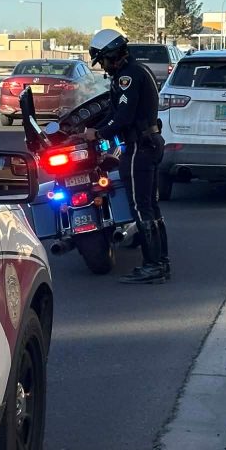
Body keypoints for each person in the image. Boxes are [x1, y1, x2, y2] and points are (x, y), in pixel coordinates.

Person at [83, 30, 169, 284]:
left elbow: (123, 117)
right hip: (150, 142)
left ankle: (153, 265)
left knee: (141, 207)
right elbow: (116, 111)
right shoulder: (138, 70)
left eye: (104, 61)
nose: (104, 67)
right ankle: (160, 262)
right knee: (151, 207)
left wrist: (98, 133)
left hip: (139, 147)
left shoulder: (128, 76)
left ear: (111, 55)